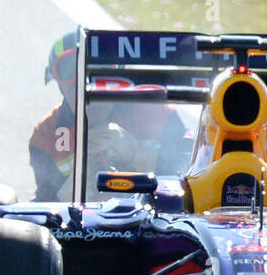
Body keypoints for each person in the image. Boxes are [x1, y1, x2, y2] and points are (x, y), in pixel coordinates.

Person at [29, 31, 194, 201]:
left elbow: (193, 176)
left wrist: (137, 154)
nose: (90, 101)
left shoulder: (156, 111)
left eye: (100, 91)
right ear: (61, 89)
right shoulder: (45, 137)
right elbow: (44, 203)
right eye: (77, 91)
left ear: (119, 81)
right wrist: (79, 179)